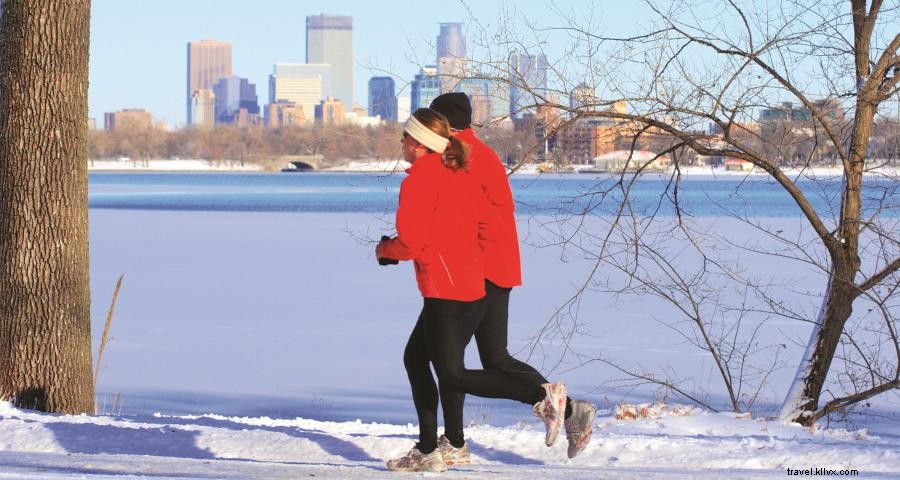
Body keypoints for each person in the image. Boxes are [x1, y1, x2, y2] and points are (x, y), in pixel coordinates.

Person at [377, 108, 567, 473]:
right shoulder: (458, 172)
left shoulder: (419, 181)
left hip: (446, 289)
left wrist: (385, 250)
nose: (401, 143)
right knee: (416, 359)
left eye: (405, 136)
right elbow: (480, 219)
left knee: (452, 375)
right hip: (471, 282)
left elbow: (412, 243)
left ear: (418, 143)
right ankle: (430, 450)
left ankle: (540, 397)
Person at [428, 92, 598, 462]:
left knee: (450, 362)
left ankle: (456, 443)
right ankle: (571, 412)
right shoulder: (478, 154)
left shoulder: (460, 160)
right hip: (500, 266)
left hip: (478, 270)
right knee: (496, 358)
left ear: (444, 124)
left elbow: (457, 221)